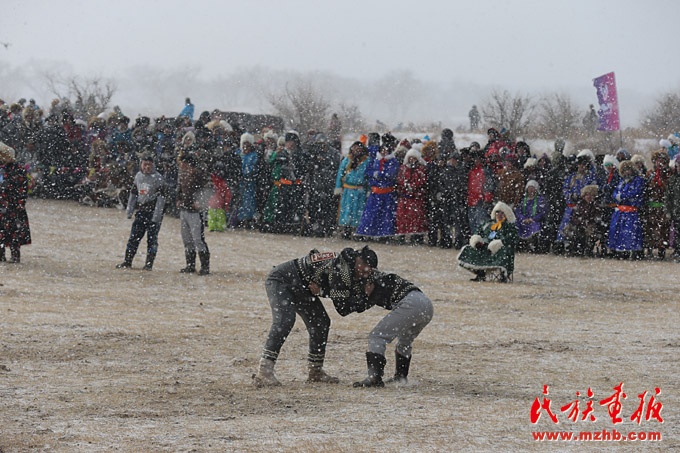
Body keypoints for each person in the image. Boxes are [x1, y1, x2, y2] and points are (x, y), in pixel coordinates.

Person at [253, 246, 378, 386]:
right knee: (285, 321)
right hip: (282, 279)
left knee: (321, 322)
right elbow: (342, 308)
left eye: (369, 272)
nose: (365, 275)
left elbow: (344, 296)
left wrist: (324, 291)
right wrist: (363, 296)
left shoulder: (350, 266)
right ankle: (264, 371)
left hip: (302, 285)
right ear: (359, 261)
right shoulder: (342, 270)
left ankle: (315, 371)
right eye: (365, 270)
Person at [345, 261, 434, 388]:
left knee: (377, 336)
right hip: (426, 304)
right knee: (404, 341)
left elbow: (357, 306)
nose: (363, 292)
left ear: (369, 283)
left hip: (411, 303)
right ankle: (401, 377)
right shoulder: (381, 278)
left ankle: (374, 377)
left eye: (363, 287)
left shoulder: (376, 284)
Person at [116, 153, 166, 270]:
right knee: (134, 237)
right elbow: (133, 193)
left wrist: (157, 216)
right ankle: (127, 261)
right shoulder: (138, 176)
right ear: (141, 164)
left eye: (149, 165)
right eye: (145, 164)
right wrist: (129, 210)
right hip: (141, 211)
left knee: (152, 239)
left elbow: (161, 199)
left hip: (153, 211)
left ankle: (149, 264)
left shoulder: (158, 178)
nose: (147, 167)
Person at [457, 201, 518, 283]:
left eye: (502, 213)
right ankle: (480, 273)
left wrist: (499, 243)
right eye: (497, 212)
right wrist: (477, 241)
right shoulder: (488, 223)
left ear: (506, 214)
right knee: (469, 249)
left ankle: (503, 275)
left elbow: (513, 239)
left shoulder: (509, 226)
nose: (499, 214)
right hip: (485, 247)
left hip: (500, 248)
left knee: (504, 251)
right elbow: (478, 233)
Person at [177, 152, 211, 274]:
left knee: (198, 239)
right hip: (185, 210)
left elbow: (209, 189)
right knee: (187, 239)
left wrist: (200, 202)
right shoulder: (183, 175)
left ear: (189, 164)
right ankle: (190, 265)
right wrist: (179, 199)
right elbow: (179, 189)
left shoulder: (199, 175)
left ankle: (205, 266)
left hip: (195, 212)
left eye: (183, 163)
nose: (181, 165)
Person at [0, 141, 31, 263]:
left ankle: (15, 256)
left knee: (15, 232)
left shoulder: (17, 169)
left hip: (13, 206)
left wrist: (20, 203)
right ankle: (1, 255)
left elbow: (23, 187)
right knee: (1, 232)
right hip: (2, 205)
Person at [608, 160, 645, 260]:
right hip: (620, 211)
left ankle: (632, 252)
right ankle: (619, 252)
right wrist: (617, 196)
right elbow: (615, 192)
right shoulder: (622, 181)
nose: (626, 172)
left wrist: (622, 196)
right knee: (617, 232)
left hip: (631, 211)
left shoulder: (638, 180)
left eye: (628, 169)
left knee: (630, 233)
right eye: (623, 170)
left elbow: (636, 193)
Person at [335, 141, 369, 239]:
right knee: (347, 210)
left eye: (359, 148)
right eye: (355, 148)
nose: (357, 150)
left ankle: (357, 232)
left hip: (360, 191)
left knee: (358, 211)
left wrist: (369, 190)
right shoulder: (347, 160)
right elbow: (340, 174)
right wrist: (338, 187)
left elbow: (369, 177)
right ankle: (346, 230)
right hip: (348, 190)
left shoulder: (366, 161)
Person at [395, 145, 428, 243]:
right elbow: (399, 179)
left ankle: (416, 237)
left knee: (417, 218)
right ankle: (402, 237)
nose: (412, 160)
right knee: (402, 218)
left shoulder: (421, 169)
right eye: (410, 158)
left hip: (416, 198)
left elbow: (423, 181)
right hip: (405, 197)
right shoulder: (403, 168)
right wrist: (405, 185)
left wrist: (413, 186)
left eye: (414, 158)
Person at [643, 150, 671, 260]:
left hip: (663, 207)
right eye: (657, 161)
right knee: (649, 229)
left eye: (662, 161)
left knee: (663, 230)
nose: (659, 163)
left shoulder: (669, 174)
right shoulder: (650, 174)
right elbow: (645, 190)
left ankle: (661, 252)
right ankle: (649, 250)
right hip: (651, 207)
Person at [514, 180, 546, 253]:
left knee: (535, 226)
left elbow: (542, 212)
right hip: (524, 220)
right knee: (516, 225)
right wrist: (523, 219)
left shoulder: (540, 200)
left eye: (532, 188)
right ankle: (519, 245)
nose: (531, 190)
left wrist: (532, 219)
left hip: (534, 221)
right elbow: (518, 212)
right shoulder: (523, 200)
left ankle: (533, 245)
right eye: (529, 188)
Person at [664, 157, 680, 260]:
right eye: (678, 166)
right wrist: (668, 211)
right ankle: (678, 250)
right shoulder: (672, 180)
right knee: (677, 232)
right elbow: (668, 197)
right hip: (676, 211)